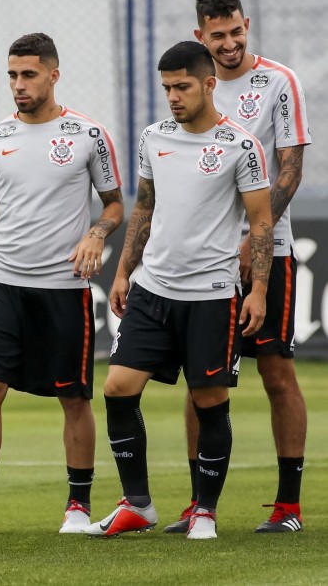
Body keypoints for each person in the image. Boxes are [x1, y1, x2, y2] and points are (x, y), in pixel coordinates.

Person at [85, 40, 273, 540]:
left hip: (211, 294)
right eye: (166, 87)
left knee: (209, 400)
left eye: (182, 86)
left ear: (209, 84)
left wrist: (256, 293)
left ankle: (204, 512)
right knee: (117, 389)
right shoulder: (153, 137)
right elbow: (143, 207)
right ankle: (138, 504)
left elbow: (260, 222)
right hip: (153, 289)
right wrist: (124, 271)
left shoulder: (241, 145)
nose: (173, 96)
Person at [0, 33, 123, 538]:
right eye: (12, 75)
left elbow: (114, 205)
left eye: (28, 74)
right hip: (3, 285)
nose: (18, 85)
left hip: (63, 289)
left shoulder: (88, 135)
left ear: (52, 74)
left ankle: (77, 508)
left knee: (74, 397)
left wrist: (96, 232)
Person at [162, 0, 312, 535]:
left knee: (276, 371)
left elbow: (291, 168)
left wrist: (255, 237)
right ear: (200, 33)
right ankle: (200, 505)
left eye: (236, 33)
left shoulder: (278, 82)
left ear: (246, 25)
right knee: (200, 381)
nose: (229, 44)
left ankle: (288, 506)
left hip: (267, 252)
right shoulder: (190, 85)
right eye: (217, 35)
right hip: (202, 260)